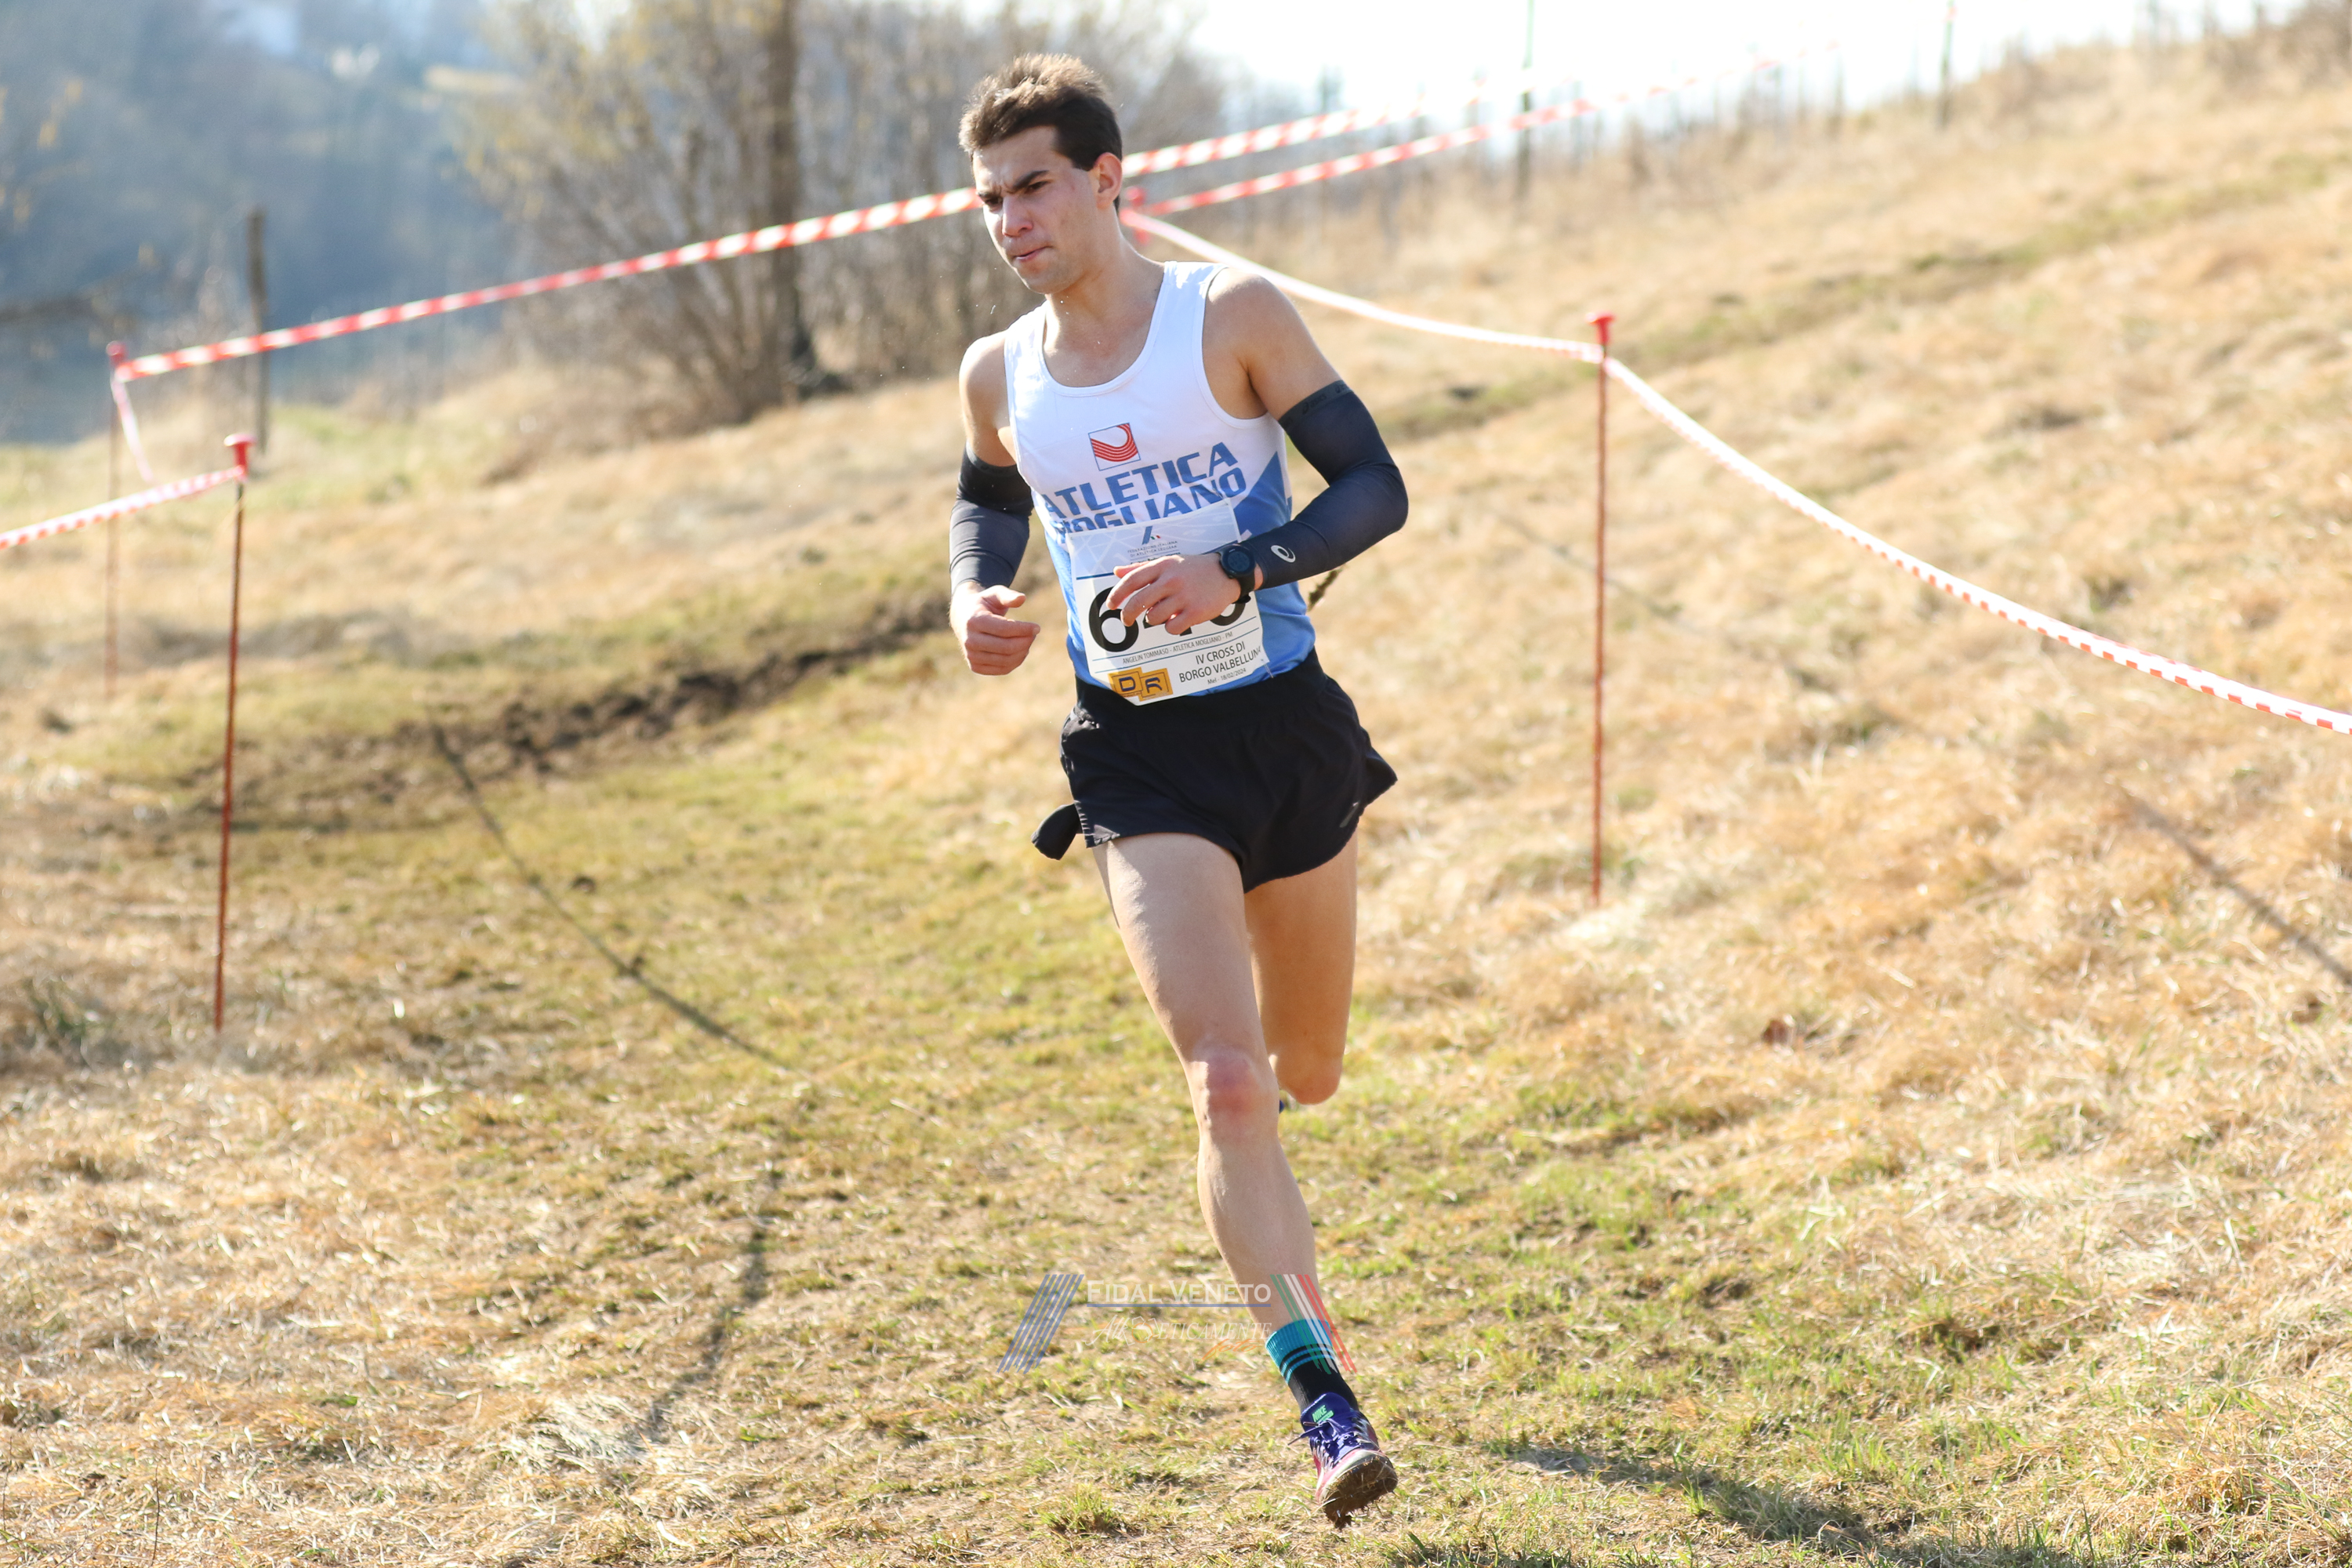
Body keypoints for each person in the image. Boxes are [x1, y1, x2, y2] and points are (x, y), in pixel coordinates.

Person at [947, 55, 1409, 1529]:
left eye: (1033, 187)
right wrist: (974, 599)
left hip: (1285, 732)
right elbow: (988, 500)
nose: (1011, 220)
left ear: (1106, 180)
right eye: (988, 200)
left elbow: (1375, 488)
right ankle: (1323, 1401)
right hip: (1137, 755)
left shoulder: (1230, 315)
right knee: (1223, 1077)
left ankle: (1275, 1151)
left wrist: (1239, 568)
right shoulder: (997, 371)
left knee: (1305, 1070)